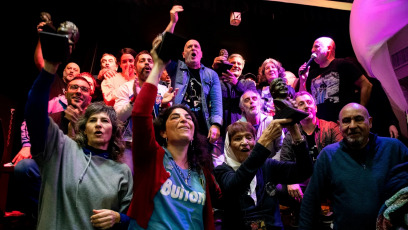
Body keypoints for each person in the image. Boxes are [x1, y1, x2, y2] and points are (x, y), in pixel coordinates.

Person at [25, 58, 133, 229]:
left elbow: (133, 220)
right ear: (84, 127)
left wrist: (119, 218)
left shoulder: (122, 171)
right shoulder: (61, 151)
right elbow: (34, 111)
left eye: (104, 121)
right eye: (92, 120)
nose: (98, 124)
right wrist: (49, 68)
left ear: (113, 131)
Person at [126, 37, 222, 229]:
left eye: (187, 118)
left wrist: (216, 124)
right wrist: (157, 65)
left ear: (195, 133)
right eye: (175, 117)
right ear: (162, 132)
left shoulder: (202, 172)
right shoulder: (151, 157)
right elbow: (140, 113)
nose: (184, 120)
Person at [299, 103, 408, 229]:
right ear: (339, 126)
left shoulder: (394, 148)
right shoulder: (328, 156)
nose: (352, 126)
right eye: (346, 121)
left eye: (358, 119)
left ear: (370, 122)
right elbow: (310, 201)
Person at [214, 119, 313, 229]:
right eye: (238, 138)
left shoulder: (267, 165)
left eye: (249, 137)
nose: (244, 142)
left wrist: (295, 133)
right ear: (229, 145)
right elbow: (236, 185)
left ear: (254, 141)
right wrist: (265, 141)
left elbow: (304, 171)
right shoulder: (222, 170)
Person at [279, 91, 343, 227]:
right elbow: (285, 161)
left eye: (309, 102)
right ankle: (306, 218)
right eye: (301, 104)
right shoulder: (290, 134)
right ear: (296, 110)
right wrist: (291, 181)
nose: (306, 106)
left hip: (327, 176)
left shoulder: (331, 127)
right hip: (303, 179)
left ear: (316, 107)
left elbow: (340, 154)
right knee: (280, 188)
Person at [163, 5, 223, 146]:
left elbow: (216, 102)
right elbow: (163, 50)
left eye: (196, 47)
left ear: (201, 54)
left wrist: (216, 125)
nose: (193, 48)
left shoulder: (211, 74)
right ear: (183, 55)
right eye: (189, 47)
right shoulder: (175, 68)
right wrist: (173, 22)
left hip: (202, 127)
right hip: (179, 124)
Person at [114, 50, 176, 173]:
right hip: (129, 145)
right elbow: (118, 117)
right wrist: (134, 101)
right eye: (142, 61)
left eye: (150, 61)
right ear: (135, 67)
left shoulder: (163, 90)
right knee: (129, 184)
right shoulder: (125, 88)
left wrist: (164, 105)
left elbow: (168, 122)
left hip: (157, 144)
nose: (147, 63)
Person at [298, 36, 373, 122]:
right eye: (312, 47)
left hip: (343, 122)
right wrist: (302, 80)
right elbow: (303, 98)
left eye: (317, 46)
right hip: (321, 125)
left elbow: (367, 85)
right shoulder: (312, 74)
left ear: (329, 48)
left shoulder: (343, 64)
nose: (312, 50)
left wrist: (360, 111)